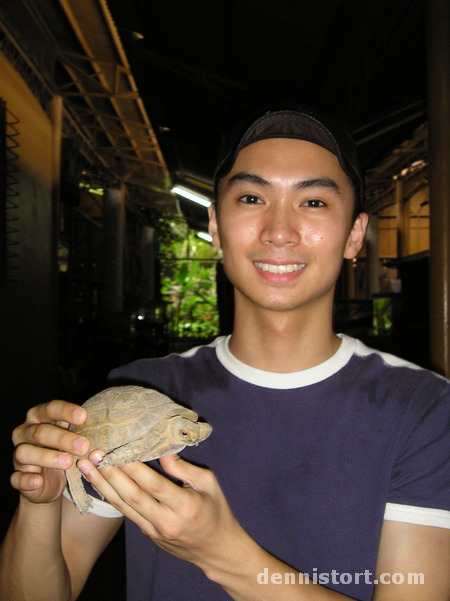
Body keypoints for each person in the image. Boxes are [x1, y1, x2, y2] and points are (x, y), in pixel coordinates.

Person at [1, 106, 449, 601]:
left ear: (355, 234)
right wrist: (38, 504)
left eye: (315, 202)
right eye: (253, 197)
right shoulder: (146, 394)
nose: (280, 231)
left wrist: (222, 553)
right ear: (215, 225)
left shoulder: (423, 409)